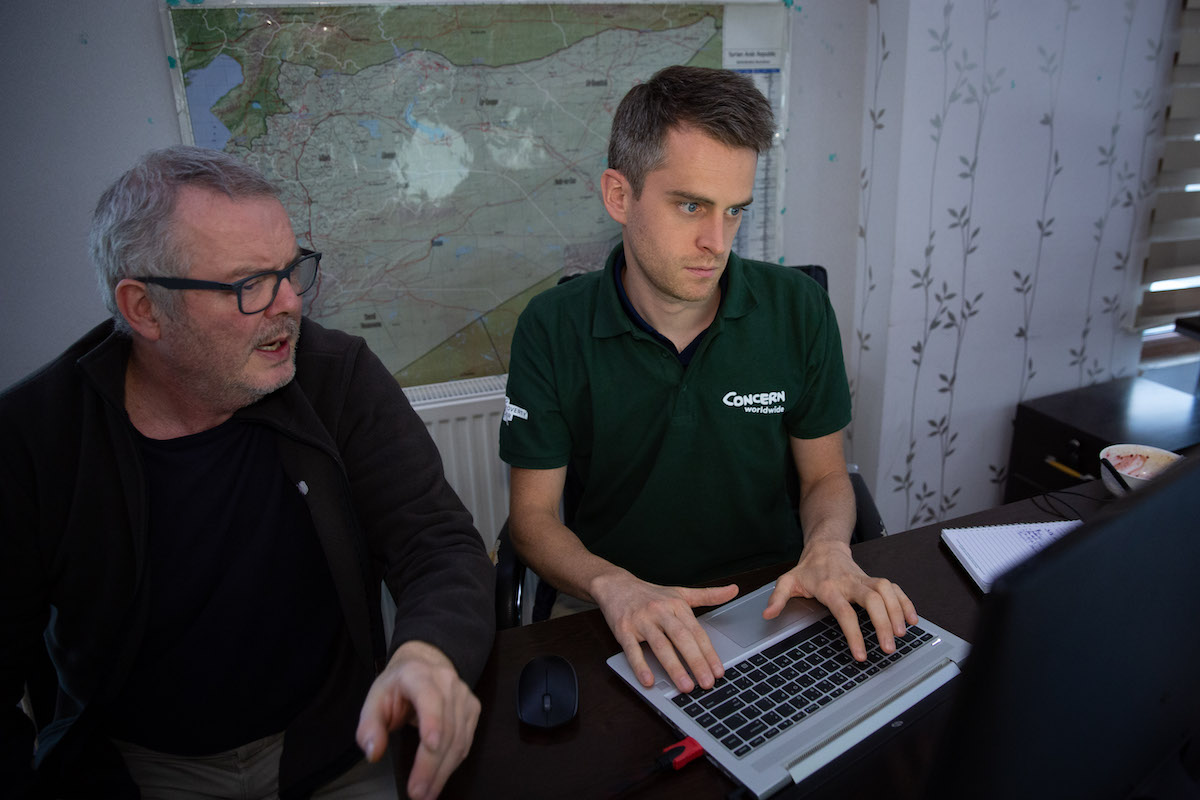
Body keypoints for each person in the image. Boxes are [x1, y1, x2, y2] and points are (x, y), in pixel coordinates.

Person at [0, 146, 495, 799]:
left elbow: (437, 545)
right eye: (249, 284)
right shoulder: (36, 437)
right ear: (145, 308)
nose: (289, 303)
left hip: (341, 742)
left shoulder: (335, 375)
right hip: (141, 769)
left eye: (290, 270)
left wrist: (428, 655)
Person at [499, 66, 916, 696]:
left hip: (776, 596)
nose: (715, 242)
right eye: (690, 205)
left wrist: (828, 547)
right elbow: (531, 520)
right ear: (620, 196)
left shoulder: (798, 309)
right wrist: (613, 586)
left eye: (734, 211)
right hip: (617, 608)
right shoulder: (551, 327)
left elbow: (828, 477)